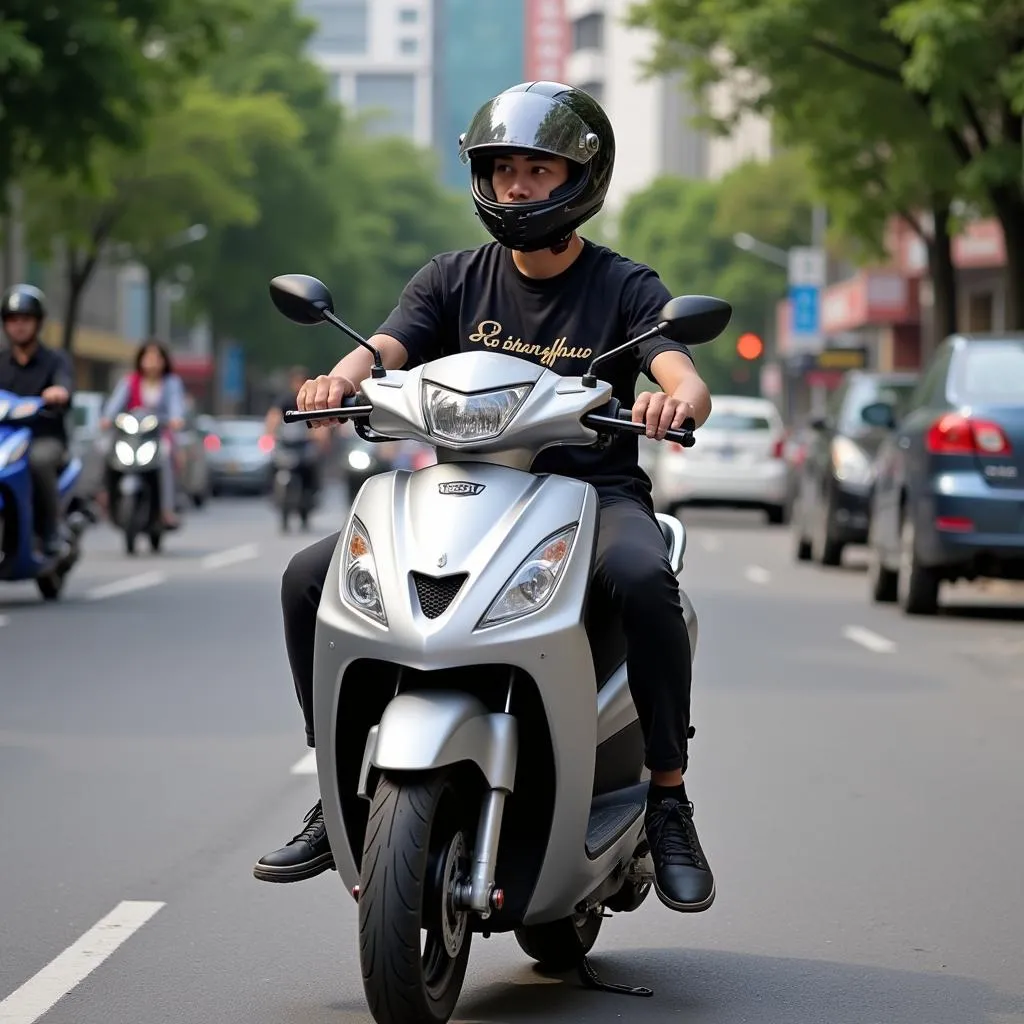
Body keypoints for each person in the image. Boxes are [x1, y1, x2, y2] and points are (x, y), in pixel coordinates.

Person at [254, 82, 717, 914]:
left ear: (581, 178)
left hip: (589, 494)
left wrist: (674, 398)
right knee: (303, 578)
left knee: (647, 581)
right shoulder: (452, 279)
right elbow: (385, 347)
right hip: (462, 493)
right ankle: (336, 782)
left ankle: (668, 798)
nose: (516, 186)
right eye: (502, 168)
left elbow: (679, 368)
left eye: (538, 170)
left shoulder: (622, 285)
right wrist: (338, 378)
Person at [0, 284, 74, 557]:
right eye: (12, 320)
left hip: (44, 437)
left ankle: (51, 530)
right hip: (5, 438)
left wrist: (59, 392)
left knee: (38, 461)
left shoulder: (55, 360)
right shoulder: (1, 362)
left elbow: (64, 385)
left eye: (25, 319)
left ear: (38, 323)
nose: (19, 326)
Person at [100, 340, 186, 529]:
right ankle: (103, 496)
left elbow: (176, 408)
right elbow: (114, 406)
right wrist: (107, 418)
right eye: (148, 357)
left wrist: (176, 419)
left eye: (156, 358)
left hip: (157, 434)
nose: (152, 362)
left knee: (165, 457)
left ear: (164, 361)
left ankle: (166, 509)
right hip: (130, 435)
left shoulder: (171, 383)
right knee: (104, 449)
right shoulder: (129, 381)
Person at [264, 366, 324, 498]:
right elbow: (273, 416)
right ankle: (271, 492)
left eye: (301, 381)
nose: (298, 385)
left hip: (304, 444)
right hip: (287, 444)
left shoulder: (312, 399)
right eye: (296, 381)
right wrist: (270, 434)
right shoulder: (284, 400)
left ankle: (312, 493)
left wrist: (319, 437)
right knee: (272, 465)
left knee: (311, 467)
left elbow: (320, 420)